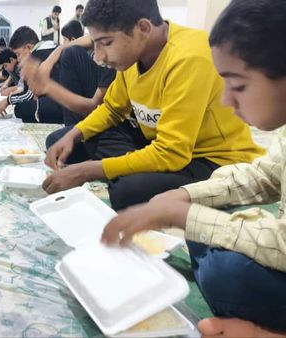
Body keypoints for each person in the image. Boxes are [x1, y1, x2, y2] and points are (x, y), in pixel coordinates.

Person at [102, 1, 286, 336]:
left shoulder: (186, 57)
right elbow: (265, 175)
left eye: (239, 86)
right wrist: (183, 196)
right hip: (192, 163)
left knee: (227, 272)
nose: (228, 101)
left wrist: (180, 215)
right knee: (201, 225)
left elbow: (283, 243)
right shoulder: (131, 67)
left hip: (208, 158)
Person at [43, 0, 265, 211]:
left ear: (143, 28)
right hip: (157, 141)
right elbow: (112, 109)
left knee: (126, 193)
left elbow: (172, 153)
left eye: (106, 43)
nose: (98, 57)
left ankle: (134, 169)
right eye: (95, 44)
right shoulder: (131, 59)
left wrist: (88, 170)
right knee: (60, 140)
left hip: (209, 159)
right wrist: (74, 134)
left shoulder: (188, 58)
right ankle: (135, 166)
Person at [20, 19, 116, 130]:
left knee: (71, 53)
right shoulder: (99, 44)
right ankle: (72, 129)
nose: (99, 56)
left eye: (65, 39)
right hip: (81, 103)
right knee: (54, 139)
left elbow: (94, 106)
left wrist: (47, 86)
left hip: (93, 110)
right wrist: (51, 60)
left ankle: (73, 129)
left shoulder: (116, 62)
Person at [0, 26, 64, 124]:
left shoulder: (35, 57)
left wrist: (7, 101)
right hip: (65, 100)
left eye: (18, 54)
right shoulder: (51, 48)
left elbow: (29, 94)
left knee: (20, 109)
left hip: (61, 105)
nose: (19, 59)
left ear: (29, 47)